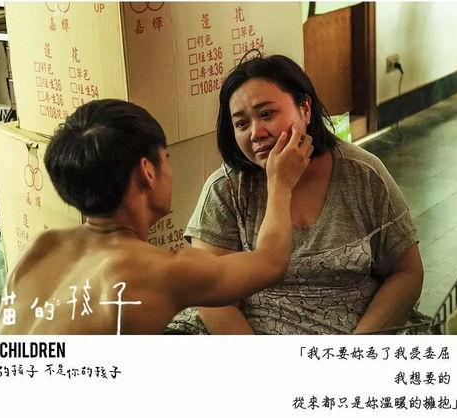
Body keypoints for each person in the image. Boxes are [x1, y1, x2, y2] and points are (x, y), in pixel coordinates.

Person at [0, 99, 313, 335]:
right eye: (166, 158)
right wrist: (280, 183)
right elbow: (270, 263)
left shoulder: (40, 247)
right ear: (147, 171)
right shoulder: (158, 271)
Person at [167, 53, 424, 335]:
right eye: (241, 124)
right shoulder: (226, 188)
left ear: (305, 109)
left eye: (266, 114)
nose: (256, 133)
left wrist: (358, 349)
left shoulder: (363, 174)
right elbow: (213, 298)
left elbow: (407, 273)